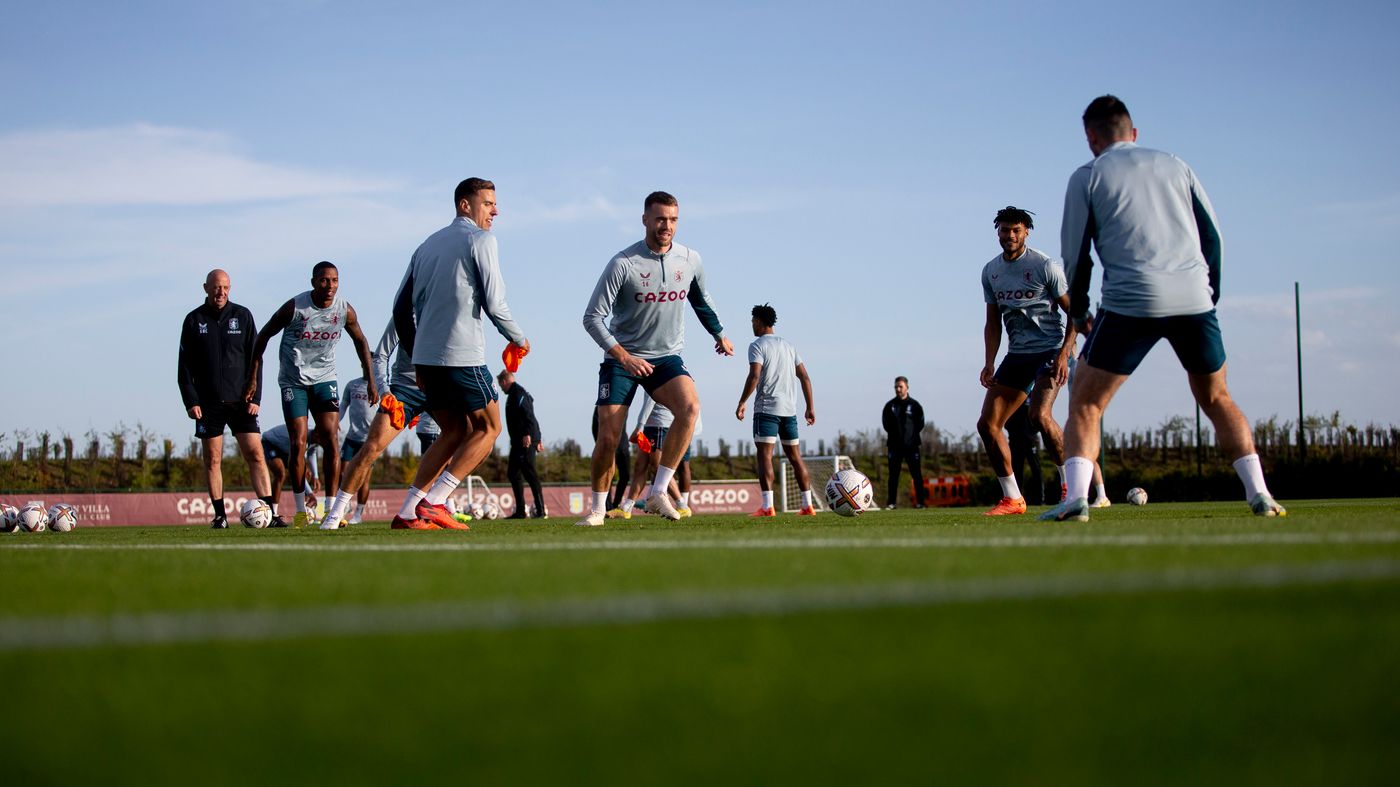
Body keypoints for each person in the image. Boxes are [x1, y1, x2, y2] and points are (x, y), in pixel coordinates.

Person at [1043, 95, 1285, 522]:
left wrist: (1078, 312)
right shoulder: (1176, 165)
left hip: (1130, 300)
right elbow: (1213, 237)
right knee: (1217, 397)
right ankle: (1260, 494)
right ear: (1134, 133)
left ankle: (1076, 500)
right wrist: (1210, 294)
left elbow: (1076, 256)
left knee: (1086, 402)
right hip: (1193, 299)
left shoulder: (1088, 176)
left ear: (1091, 137)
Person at [578, 191, 733, 527]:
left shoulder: (689, 259)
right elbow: (592, 317)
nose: (667, 226)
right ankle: (597, 510)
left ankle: (659, 491)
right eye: (660, 218)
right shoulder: (623, 263)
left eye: (673, 219)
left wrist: (718, 333)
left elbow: (700, 300)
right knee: (609, 437)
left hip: (666, 358)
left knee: (690, 408)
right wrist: (623, 356)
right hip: (622, 360)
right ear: (645, 219)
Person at [390, 177, 529, 531]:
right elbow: (495, 303)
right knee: (489, 427)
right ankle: (436, 501)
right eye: (488, 204)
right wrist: (519, 338)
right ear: (465, 205)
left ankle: (408, 512)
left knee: (453, 430)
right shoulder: (482, 239)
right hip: (462, 354)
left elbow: (400, 308)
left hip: (426, 359)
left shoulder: (425, 246)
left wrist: (416, 356)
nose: (495, 211)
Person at [246, 261, 376, 528]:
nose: (330, 286)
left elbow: (361, 341)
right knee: (299, 443)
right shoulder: (295, 308)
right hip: (293, 382)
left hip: (325, 379)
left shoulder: (344, 310)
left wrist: (371, 380)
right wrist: (253, 377)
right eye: (324, 280)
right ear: (313, 282)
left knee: (331, 437)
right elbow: (263, 336)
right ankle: (300, 511)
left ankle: (331, 510)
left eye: (334, 280)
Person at [975, 206, 1077, 516]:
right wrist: (989, 362)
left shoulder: (1044, 266)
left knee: (1039, 416)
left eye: (1016, 230)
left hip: (1050, 350)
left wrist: (1064, 353)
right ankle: (1013, 499)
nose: (1010, 235)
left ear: (1026, 232)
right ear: (998, 232)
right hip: (1018, 354)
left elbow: (1075, 312)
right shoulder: (991, 271)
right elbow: (992, 322)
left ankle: (1070, 488)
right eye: (1005, 230)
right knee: (988, 425)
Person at [321, 318, 449, 530]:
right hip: (404, 389)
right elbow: (381, 355)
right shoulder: (405, 312)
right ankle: (335, 514)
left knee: (474, 437)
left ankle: (429, 504)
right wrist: (384, 391)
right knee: (371, 447)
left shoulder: (448, 311)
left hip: (438, 389)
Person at [177, 269, 277, 529]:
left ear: (230, 288)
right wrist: (191, 401)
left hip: (242, 401)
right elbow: (184, 366)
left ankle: (270, 512)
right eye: (215, 287)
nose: (220, 292)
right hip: (208, 404)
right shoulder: (193, 319)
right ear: (206, 288)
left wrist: (256, 397)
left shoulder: (242, 315)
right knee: (212, 459)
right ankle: (220, 516)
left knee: (256, 454)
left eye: (225, 287)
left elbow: (255, 360)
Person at [736, 303, 817, 517]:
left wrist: (742, 401)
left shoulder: (757, 345)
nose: (752, 325)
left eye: (753, 321)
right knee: (795, 457)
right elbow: (805, 377)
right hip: (789, 411)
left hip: (767, 410)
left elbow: (755, 375)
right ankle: (808, 505)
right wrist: (810, 407)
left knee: (765, 456)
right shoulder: (789, 346)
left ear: (759, 322)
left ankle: (767, 506)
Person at [499, 370, 545, 519]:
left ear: (504, 381)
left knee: (530, 473)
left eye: (501, 385)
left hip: (525, 440)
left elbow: (528, 414)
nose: (501, 388)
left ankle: (541, 510)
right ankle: (520, 511)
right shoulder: (514, 394)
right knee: (513, 473)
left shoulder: (518, 393)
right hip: (518, 441)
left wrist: (529, 435)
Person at [262, 423, 323, 521]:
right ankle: (273, 514)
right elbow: (297, 469)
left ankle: (303, 507)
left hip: (286, 448)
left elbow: (312, 452)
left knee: (307, 473)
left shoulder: (315, 437)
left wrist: (316, 476)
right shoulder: (301, 437)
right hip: (270, 443)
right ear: (316, 434)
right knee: (280, 473)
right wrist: (310, 493)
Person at [881, 377, 927, 509]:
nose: (898, 389)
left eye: (900, 386)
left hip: (912, 446)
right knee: (893, 475)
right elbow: (885, 424)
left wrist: (910, 437)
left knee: (916, 475)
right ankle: (891, 503)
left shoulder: (915, 405)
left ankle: (920, 503)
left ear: (907, 387)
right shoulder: (890, 406)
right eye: (896, 387)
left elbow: (920, 423)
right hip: (894, 446)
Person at [336, 375, 376, 524]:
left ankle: (358, 514)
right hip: (351, 438)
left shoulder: (379, 385)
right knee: (343, 473)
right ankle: (343, 506)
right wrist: (336, 421)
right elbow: (343, 404)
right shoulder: (352, 384)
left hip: (369, 441)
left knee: (364, 479)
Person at [591, 408, 631, 509]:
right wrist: (600, 446)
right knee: (607, 475)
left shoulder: (624, 403)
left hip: (623, 445)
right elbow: (595, 427)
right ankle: (607, 507)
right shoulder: (601, 406)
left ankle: (616, 504)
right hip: (609, 446)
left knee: (626, 475)